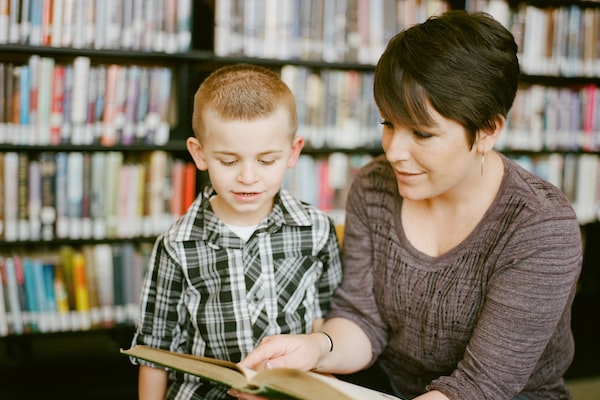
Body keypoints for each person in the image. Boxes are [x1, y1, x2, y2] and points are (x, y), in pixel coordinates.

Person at [237, 11, 582, 400]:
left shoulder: (540, 226)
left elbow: (481, 386)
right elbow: (362, 320)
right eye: (388, 123)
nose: (394, 151)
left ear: (487, 131)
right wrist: (315, 349)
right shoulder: (373, 186)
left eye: (421, 132)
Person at [130, 64, 343, 399]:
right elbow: (154, 348)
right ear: (199, 154)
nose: (248, 177)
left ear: (293, 152)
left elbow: (327, 320)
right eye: (229, 161)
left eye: (266, 160)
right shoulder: (177, 244)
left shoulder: (316, 229)